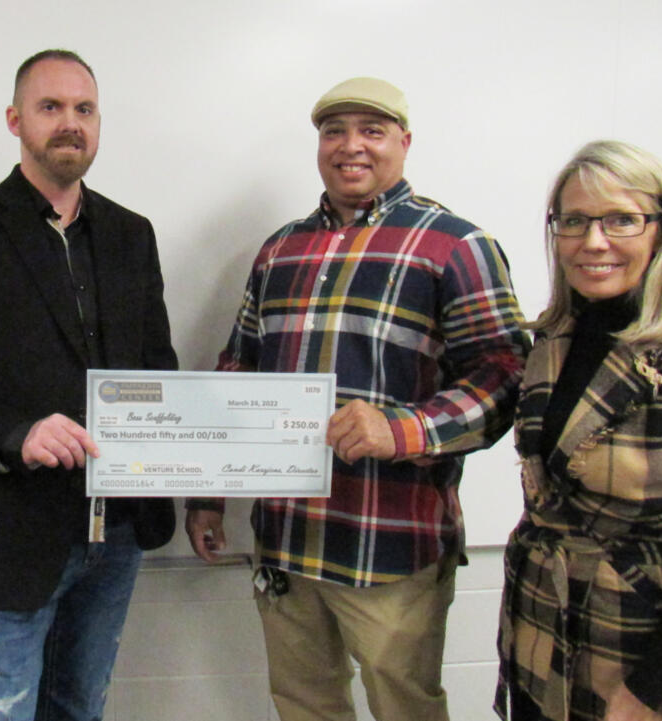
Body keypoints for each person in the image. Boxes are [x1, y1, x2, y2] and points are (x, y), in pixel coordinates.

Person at [186, 77, 529, 721]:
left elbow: (504, 379)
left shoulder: (455, 245)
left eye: (371, 131)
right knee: (304, 705)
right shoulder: (280, 251)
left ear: (404, 141)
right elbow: (239, 372)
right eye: (334, 131)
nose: (351, 147)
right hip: (288, 539)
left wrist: (404, 430)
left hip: (390, 545)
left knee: (406, 709)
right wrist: (208, 493)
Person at [0, 49, 178, 721]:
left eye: (84, 109)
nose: (70, 124)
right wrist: (16, 434)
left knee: (80, 706)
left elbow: (158, 369)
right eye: (51, 108)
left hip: (116, 535)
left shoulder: (132, 235)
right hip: (5, 535)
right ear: (16, 119)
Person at [495, 140, 662, 721]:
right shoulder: (550, 340)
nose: (594, 242)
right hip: (542, 630)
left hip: (649, 644)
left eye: (621, 219)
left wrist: (650, 689)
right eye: (574, 221)